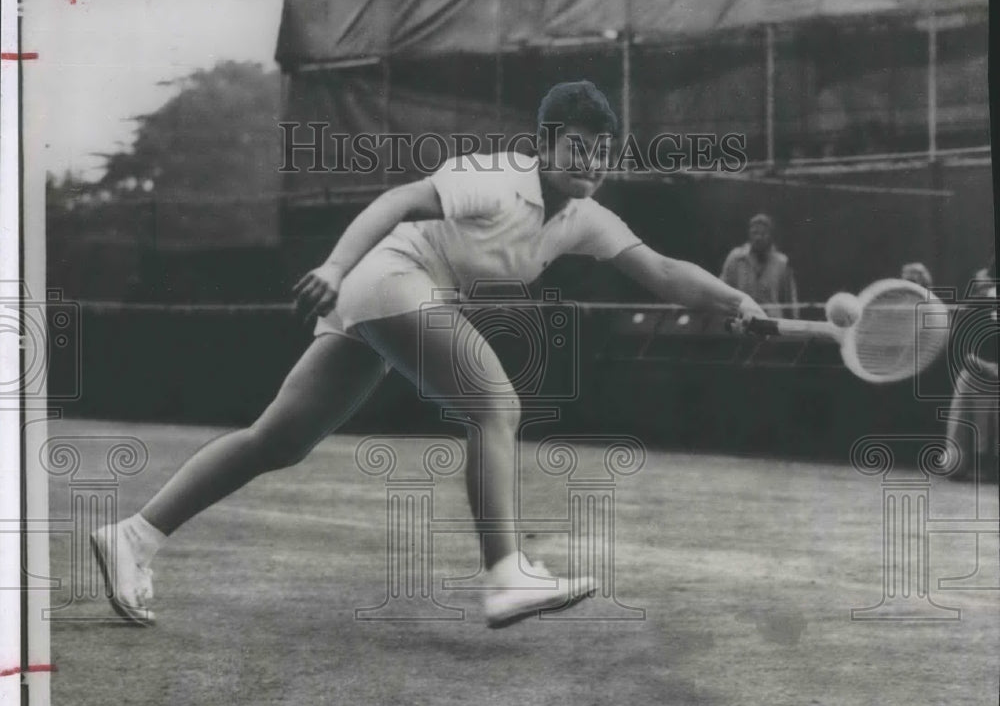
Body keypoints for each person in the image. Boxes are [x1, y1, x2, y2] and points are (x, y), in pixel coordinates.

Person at [91, 80, 766, 629]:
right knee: (496, 404)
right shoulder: (497, 180)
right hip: (386, 278)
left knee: (277, 440)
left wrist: (738, 303)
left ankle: (134, 536)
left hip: (385, 298)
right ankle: (506, 575)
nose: (591, 163)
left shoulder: (585, 217)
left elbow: (665, 272)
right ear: (544, 145)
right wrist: (333, 263)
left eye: (603, 151)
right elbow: (398, 199)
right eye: (578, 148)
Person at [941, 262, 998, 482]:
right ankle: (960, 457)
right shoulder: (975, 305)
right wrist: (980, 365)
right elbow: (960, 346)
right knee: (954, 467)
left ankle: (991, 462)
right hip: (974, 374)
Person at [719, 213, 798, 318]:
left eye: (763, 233)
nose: (758, 237)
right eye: (755, 233)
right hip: (741, 321)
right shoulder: (736, 258)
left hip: (772, 323)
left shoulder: (782, 263)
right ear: (749, 234)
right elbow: (722, 291)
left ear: (771, 235)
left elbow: (790, 302)